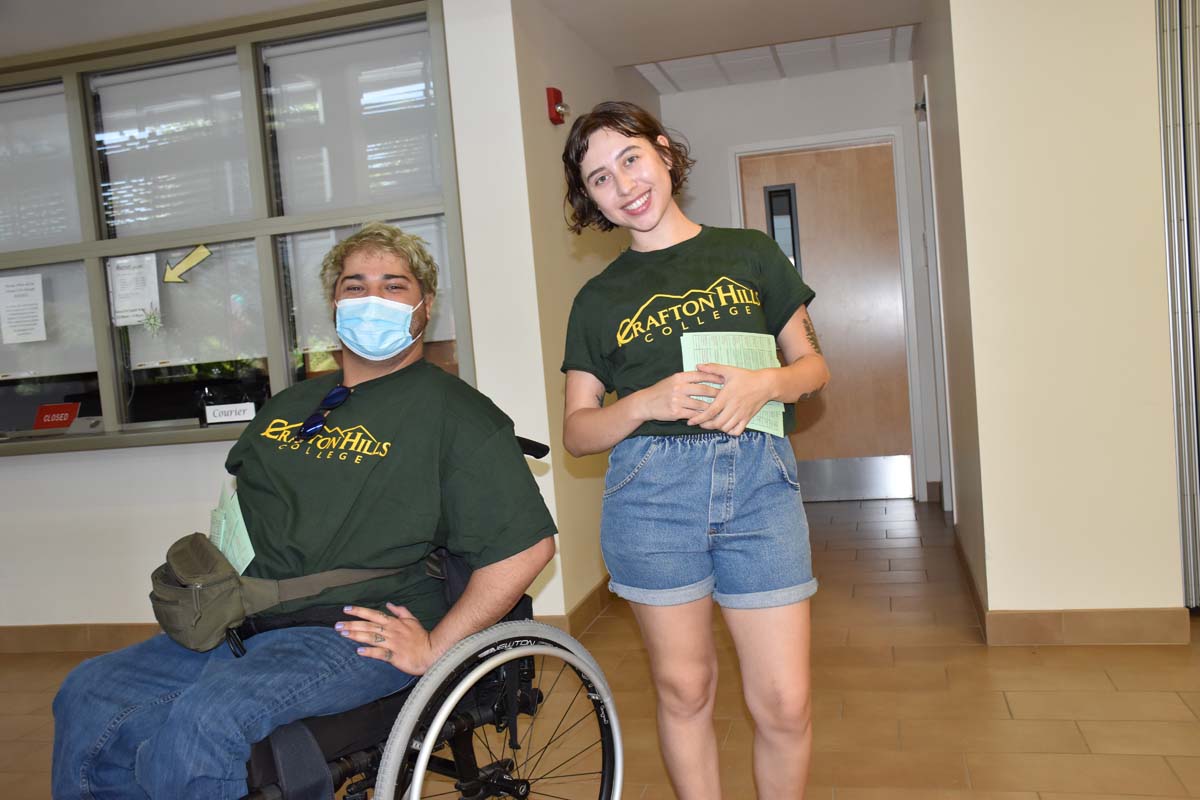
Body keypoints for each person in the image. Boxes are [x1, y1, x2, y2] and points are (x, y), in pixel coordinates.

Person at [52, 222, 557, 799]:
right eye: (355, 285)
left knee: (206, 723)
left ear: (425, 306)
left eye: (393, 286)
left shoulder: (455, 412)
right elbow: (244, 516)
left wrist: (435, 647)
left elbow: (527, 547)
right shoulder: (289, 406)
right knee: (87, 691)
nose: (373, 300)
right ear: (334, 302)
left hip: (352, 629)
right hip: (243, 625)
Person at [560, 101, 829, 799]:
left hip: (759, 484)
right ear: (591, 201)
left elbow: (813, 368)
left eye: (630, 159)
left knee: (786, 702)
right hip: (650, 496)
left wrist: (765, 382)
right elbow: (579, 432)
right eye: (599, 179)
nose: (623, 184)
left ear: (664, 154)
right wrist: (648, 401)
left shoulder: (749, 253)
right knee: (685, 691)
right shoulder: (597, 300)